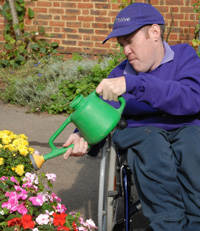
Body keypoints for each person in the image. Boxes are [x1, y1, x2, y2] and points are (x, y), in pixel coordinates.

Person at [63, 3, 200, 231]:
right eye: (122, 44)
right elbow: (99, 111)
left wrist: (135, 84)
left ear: (154, 33)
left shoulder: (184, 56)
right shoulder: (119, 73)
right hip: (142, 134)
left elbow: (192, 99)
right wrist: (82, 135)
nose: (126, 50)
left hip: (186, 127)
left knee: (192, 145)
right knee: (150, 144)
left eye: (130, 40)